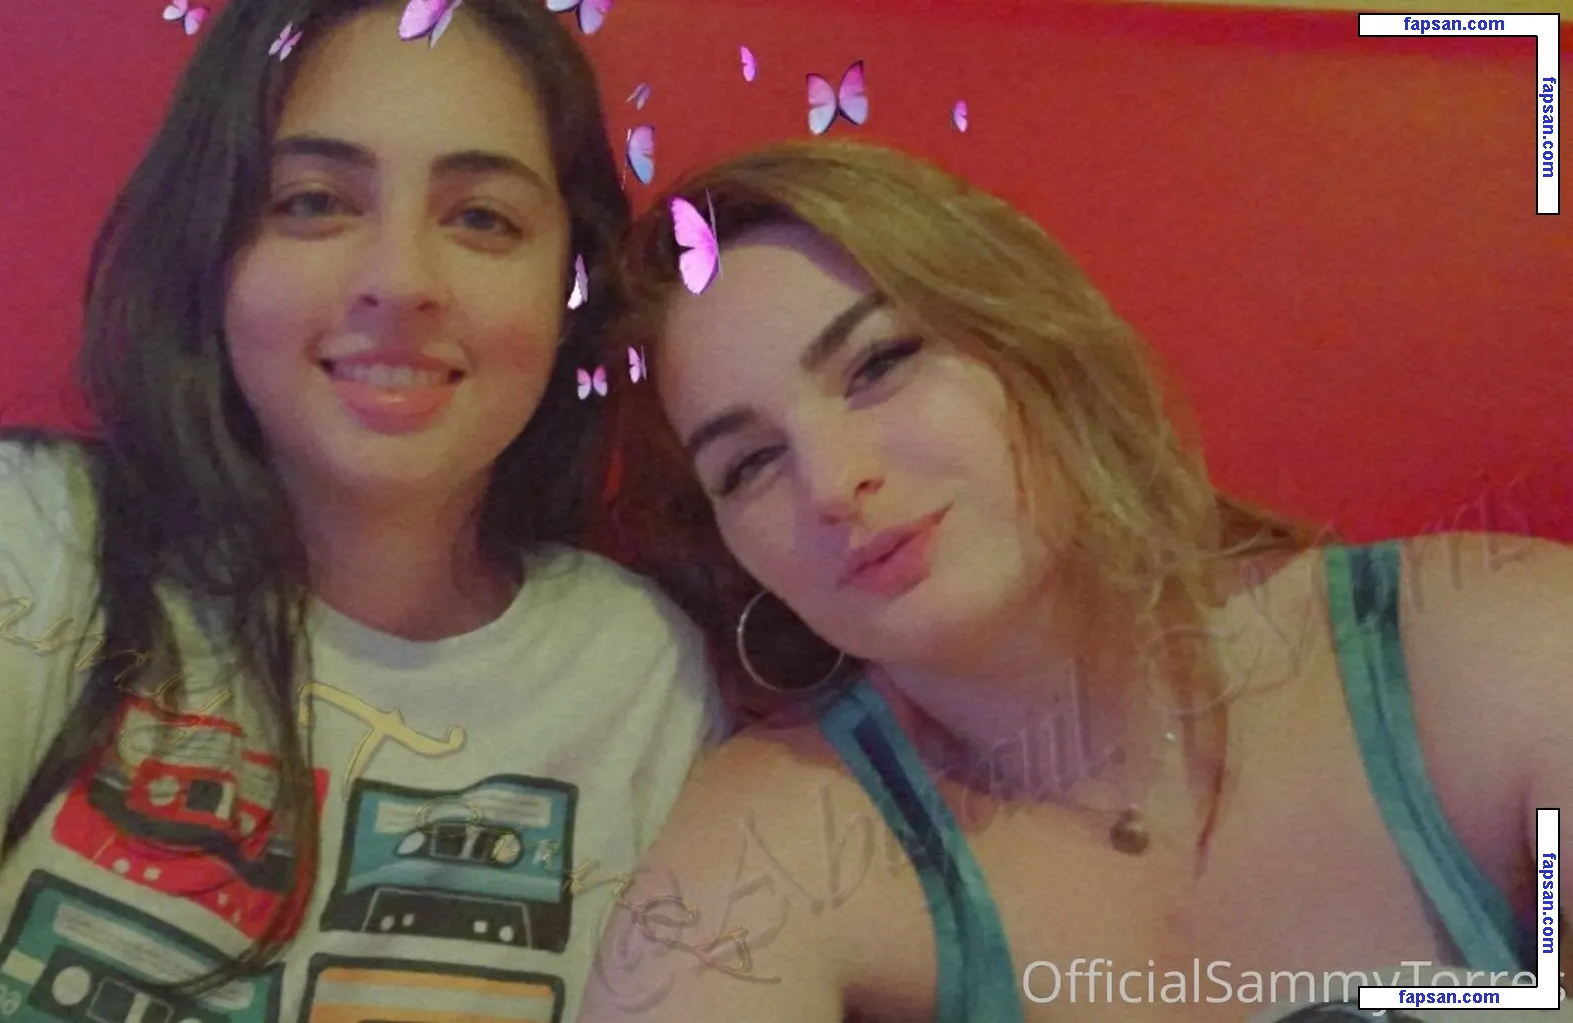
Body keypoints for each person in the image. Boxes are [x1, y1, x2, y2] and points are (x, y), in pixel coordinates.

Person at [0, 3, 721, 1022]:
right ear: (213, 247)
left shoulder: (643, 677)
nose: (401, 281)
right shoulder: (4, 537)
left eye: (483, 219)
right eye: (314, 202)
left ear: (571, 284)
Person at [577, 138, 1569, 1021]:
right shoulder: (774, 843)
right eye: (749, 464)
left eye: (879, 364)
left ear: (1031, 338)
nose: (834, 485)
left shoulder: (1480, 648)